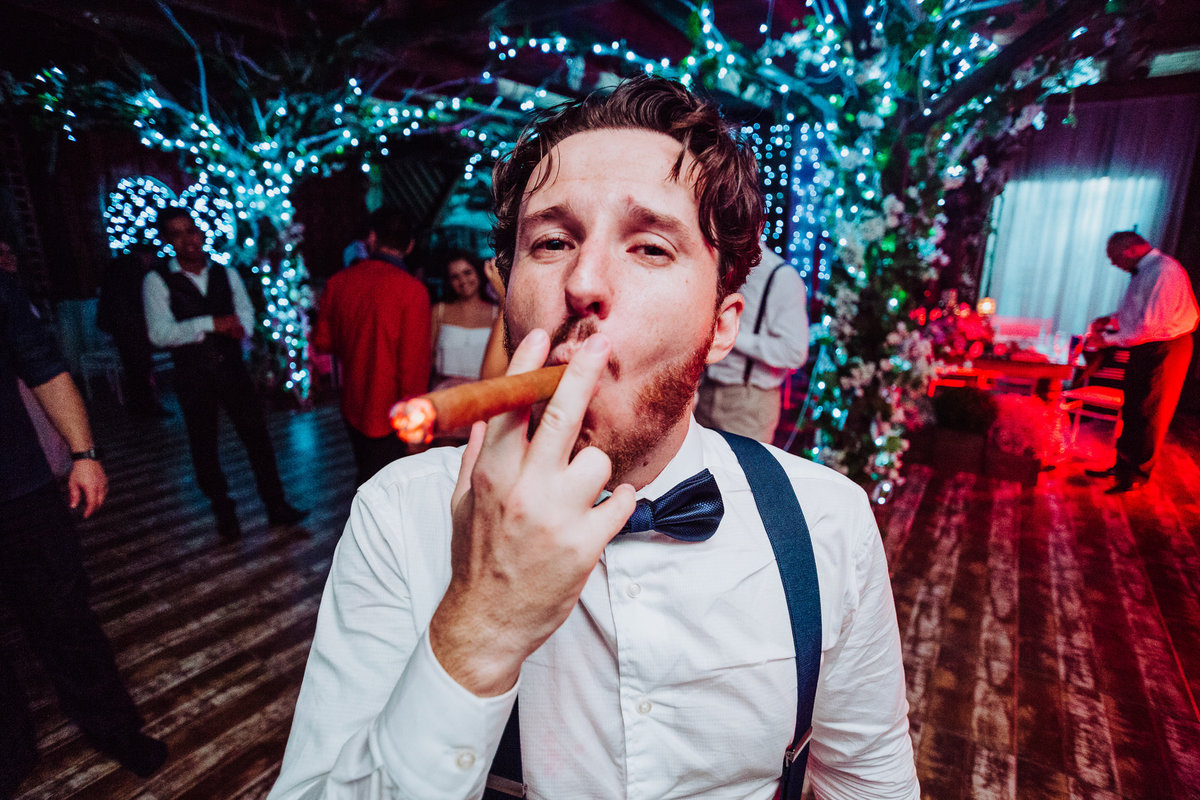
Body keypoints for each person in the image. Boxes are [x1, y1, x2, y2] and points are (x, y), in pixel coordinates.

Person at [269, 76, 918, 800]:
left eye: (648, 247)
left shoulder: (828, 522)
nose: (584, 282)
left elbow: (873, 786)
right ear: (506, 291)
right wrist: (478, 626)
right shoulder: (398, 513)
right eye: (551, 241)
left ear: (723, 321)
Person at [1, 270, 167, 795]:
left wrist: (85, 454)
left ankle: (116, 730)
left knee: (66, 621)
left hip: (20, 491)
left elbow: (46, 369)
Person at [143, 207, 307, 539]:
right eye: (177, 233)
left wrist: (240, 328)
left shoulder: (225, 273)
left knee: (258, 438)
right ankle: (224, 511)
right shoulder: (156, 281)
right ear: (167, 240)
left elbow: (245, 313)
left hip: (232, 369)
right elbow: (159, 333)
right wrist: (209, 324)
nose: (188, 239)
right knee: (204, 445)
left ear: (200, 233)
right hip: (192, 374)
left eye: (191, 230)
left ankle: (276, 505)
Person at [311, 207, 432, 485]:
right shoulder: (413, 291)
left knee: (367, 477)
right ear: (410, 245)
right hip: (393, 415)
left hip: (353, 404)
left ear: (372, 239)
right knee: (391, 488)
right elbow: (413, 370)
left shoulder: (338, 282)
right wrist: (416, 429)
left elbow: (322, 341)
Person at [1084, 231, 1199, 493]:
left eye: (1113, 257)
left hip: (1165, 346)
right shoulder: (1145, 272)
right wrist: (1111, 320)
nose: (1113, 264)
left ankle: (1137, 474)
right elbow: (1137, 314)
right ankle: (1123, 466)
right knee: (1133, 407)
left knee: (1151, 411)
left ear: (1128, 250)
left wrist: (1108, 341)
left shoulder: (1163, 271)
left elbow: (1150, 325)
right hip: (1145, 344)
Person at [696, 240, 809, 442]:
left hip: (748, 404)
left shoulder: (781, 277)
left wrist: (730, 335)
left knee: (738, 473)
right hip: (705, 390)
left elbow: (794, 352)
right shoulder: (717, 261)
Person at [98, 245, 170, 418]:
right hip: (132, 326)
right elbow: (138, 300)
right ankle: (146, 407)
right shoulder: (135, 272)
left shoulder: (117, 267)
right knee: (141, 367)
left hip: (121, 326)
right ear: (146, 255)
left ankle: (140, 407)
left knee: (134, 368)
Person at [431, 250, 499, 389]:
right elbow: (427, 358)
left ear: (479, 273)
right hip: (443, 394)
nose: (462, 281)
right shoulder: (440, 311)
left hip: (482, 395)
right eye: (455, 276)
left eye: (467, 272)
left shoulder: (496, 313)